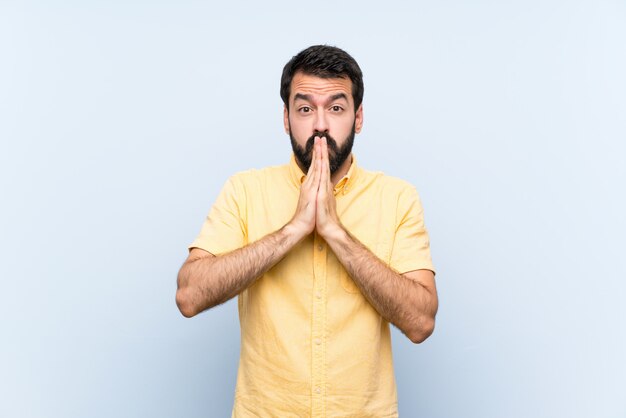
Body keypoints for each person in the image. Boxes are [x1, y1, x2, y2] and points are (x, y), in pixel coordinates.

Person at [176, 45, 438, 417]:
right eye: (304, 109)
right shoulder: (245, 191)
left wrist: (336, 233)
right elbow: (189, 295)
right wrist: (293, 229)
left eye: (335, 108)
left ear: (358, 117)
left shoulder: (397, 198)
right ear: (286, 118)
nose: (319, 124)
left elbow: (421, 321)